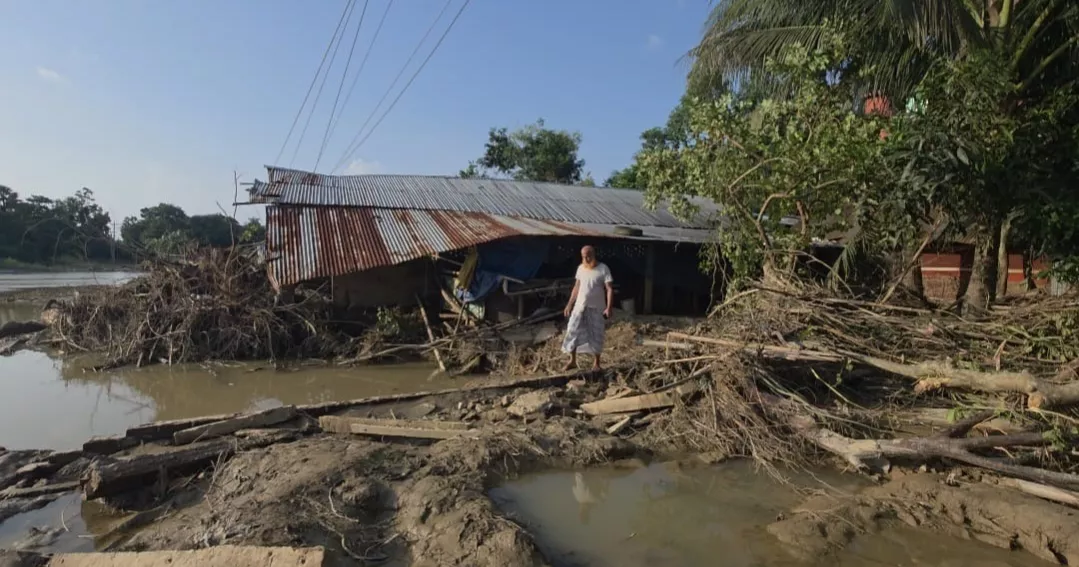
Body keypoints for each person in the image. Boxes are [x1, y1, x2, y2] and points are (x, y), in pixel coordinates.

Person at [561, 245, 613, 371]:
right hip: (580, 307)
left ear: (593, 255)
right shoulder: (580, 268)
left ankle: (596, 363)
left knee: (596, 334)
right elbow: (576, 287)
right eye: (583, 257)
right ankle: (572, 360)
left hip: (596, 308)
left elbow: (609, 289)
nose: (586, 259)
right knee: (572, 331)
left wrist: (608, 307)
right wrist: (569, 304)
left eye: (588, 256)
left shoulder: (603, 269)